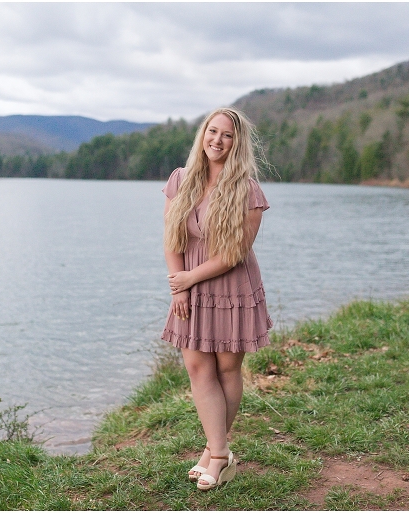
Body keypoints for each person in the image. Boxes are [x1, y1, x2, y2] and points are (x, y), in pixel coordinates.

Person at [161, 107, 272, 490]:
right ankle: (219, 453)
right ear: (202, 134)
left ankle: (216, 454)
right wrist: (180, 285)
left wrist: (191, 277)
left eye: (227, 135)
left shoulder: (249, 191)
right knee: (196, 367)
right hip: (189, 284)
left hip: (231, 288)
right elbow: (171, 236)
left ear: (236, 143)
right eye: (213, 131)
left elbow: (234, 254)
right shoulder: (181, 179)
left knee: (226, 369)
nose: (217, 140)